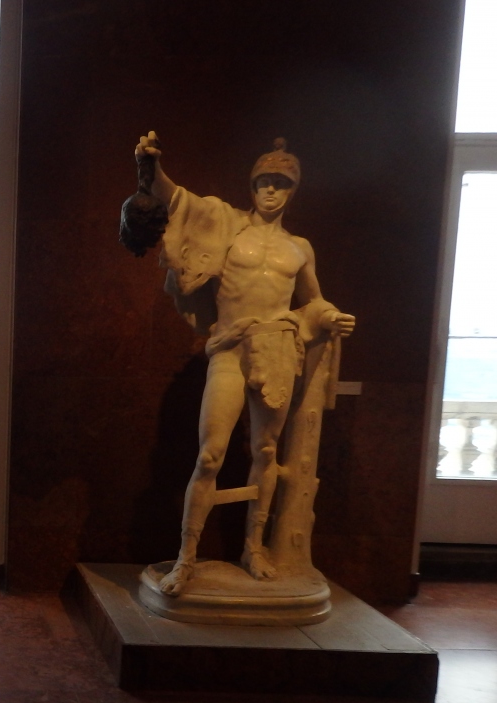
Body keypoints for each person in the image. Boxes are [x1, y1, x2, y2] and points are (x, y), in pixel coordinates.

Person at [135, 132, 356, 595]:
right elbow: (177, 199)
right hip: (230, 348)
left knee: (266, 452)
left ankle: (253, 547)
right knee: (210, 454)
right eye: (263, 182)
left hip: (276, 349)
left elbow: (312, 300)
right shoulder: (227, 226)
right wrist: (152, 168)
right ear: (252, 186)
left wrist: (330, 316)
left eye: (281, 183)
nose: (271, 190)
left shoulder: (300, 247)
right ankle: (186, 557)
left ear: (293, 190)